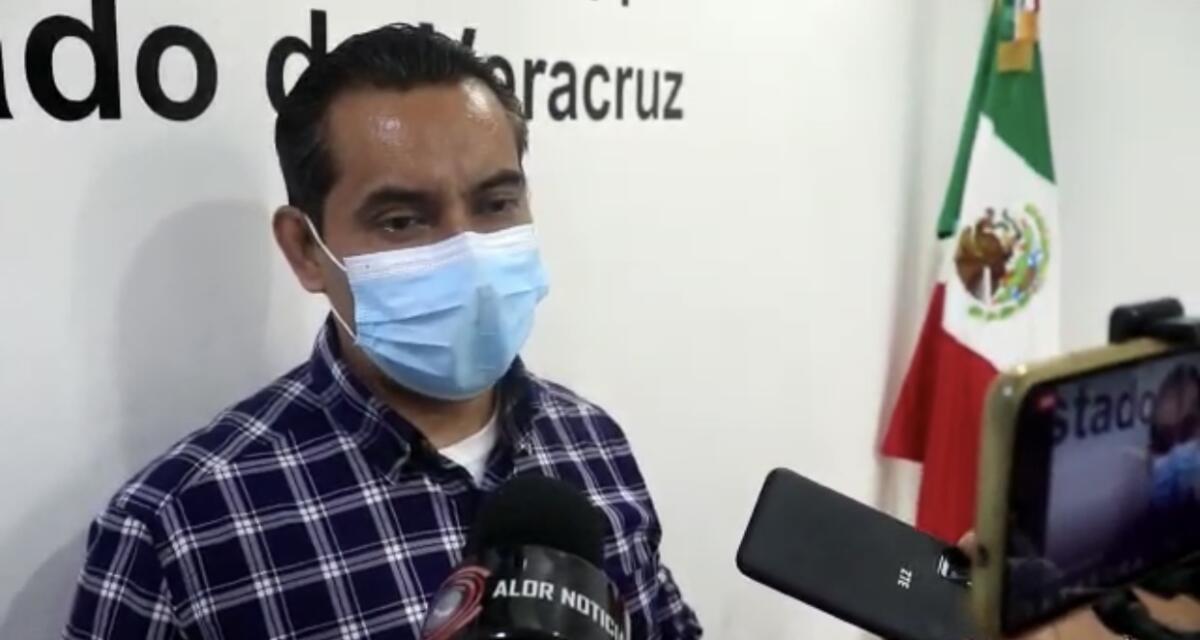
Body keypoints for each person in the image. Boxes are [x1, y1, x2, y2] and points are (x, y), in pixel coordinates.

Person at [61, 24, 702, 640]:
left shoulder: (593, 442)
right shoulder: (175, 531)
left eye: (495, 204)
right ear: (305, 250)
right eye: (401, 220)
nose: (469, 256)